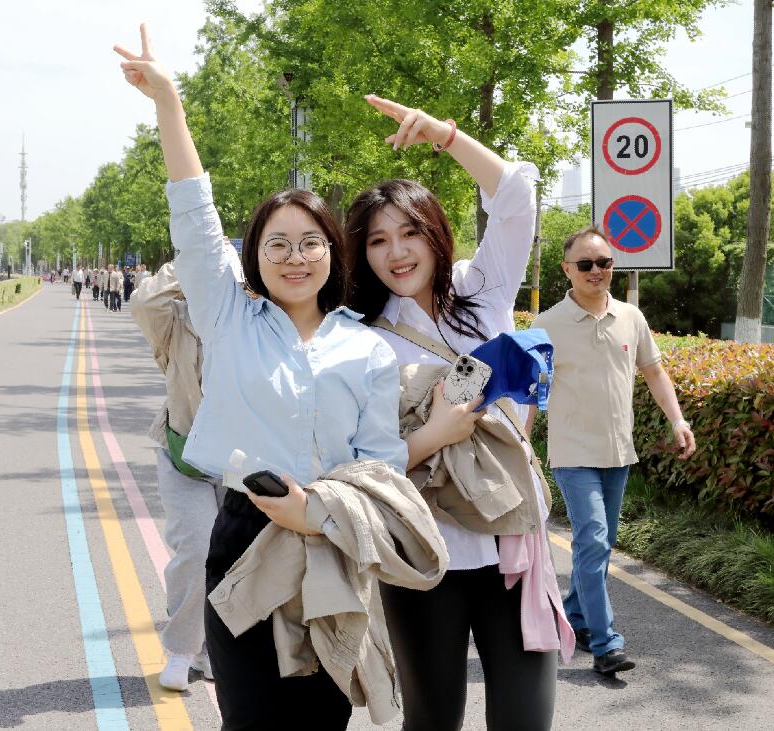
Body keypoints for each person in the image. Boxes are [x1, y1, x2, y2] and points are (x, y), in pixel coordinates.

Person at [115, 26, 440, 730]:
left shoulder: (367, 350)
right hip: (244, 539)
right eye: (278, 244)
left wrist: (316, 513)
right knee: (250, 719)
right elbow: (194, 219)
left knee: (321, 721)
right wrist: (169, 103)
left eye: (311, 242)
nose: (296, 257)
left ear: (333, 253)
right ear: (254, 258)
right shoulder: (228, 318)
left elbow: (381, 467)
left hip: (333, 544)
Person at [346, 95, 567, 731]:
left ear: (435, 234)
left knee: (525, 721)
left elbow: (516, 198)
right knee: (432, 720)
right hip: (421, 551)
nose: (397, 252)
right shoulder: (356, 337)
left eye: (410, 232)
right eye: (378, 240)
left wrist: (446, 136)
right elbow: (356, 464)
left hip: (511, 540)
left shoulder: (481, 291)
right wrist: (434, 434)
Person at [528, 226, 696, 676]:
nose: (596, 271)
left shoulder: (630, 317)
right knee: (594, 540)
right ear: (567, 269)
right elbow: (531, 393)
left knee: (599, 547)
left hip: (619, 451)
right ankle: (606, 644)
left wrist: (678, 420)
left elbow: (654, 373)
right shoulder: (546, 325)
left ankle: (576, 618)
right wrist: (523, 448)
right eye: (585, 264)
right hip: (573, 453)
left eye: (603, 263)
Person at [130, 253, 243, 691]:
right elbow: (143, 303)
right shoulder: (173, 320)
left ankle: (211, 649)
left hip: (238, 460)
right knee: (196, 549)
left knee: (231, 555)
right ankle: (181, 649)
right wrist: (195, 259)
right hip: (184, 456)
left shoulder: (248, 319)